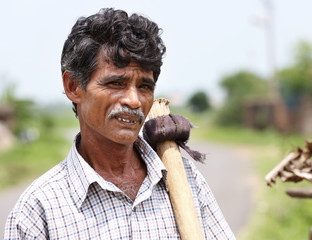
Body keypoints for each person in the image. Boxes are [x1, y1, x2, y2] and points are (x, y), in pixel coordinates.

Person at [4, 8, 235, 239]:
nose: (134, 101)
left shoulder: (183, 178)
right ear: (73, 87)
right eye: (116, 83)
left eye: (145, 87)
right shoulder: (38, 211)